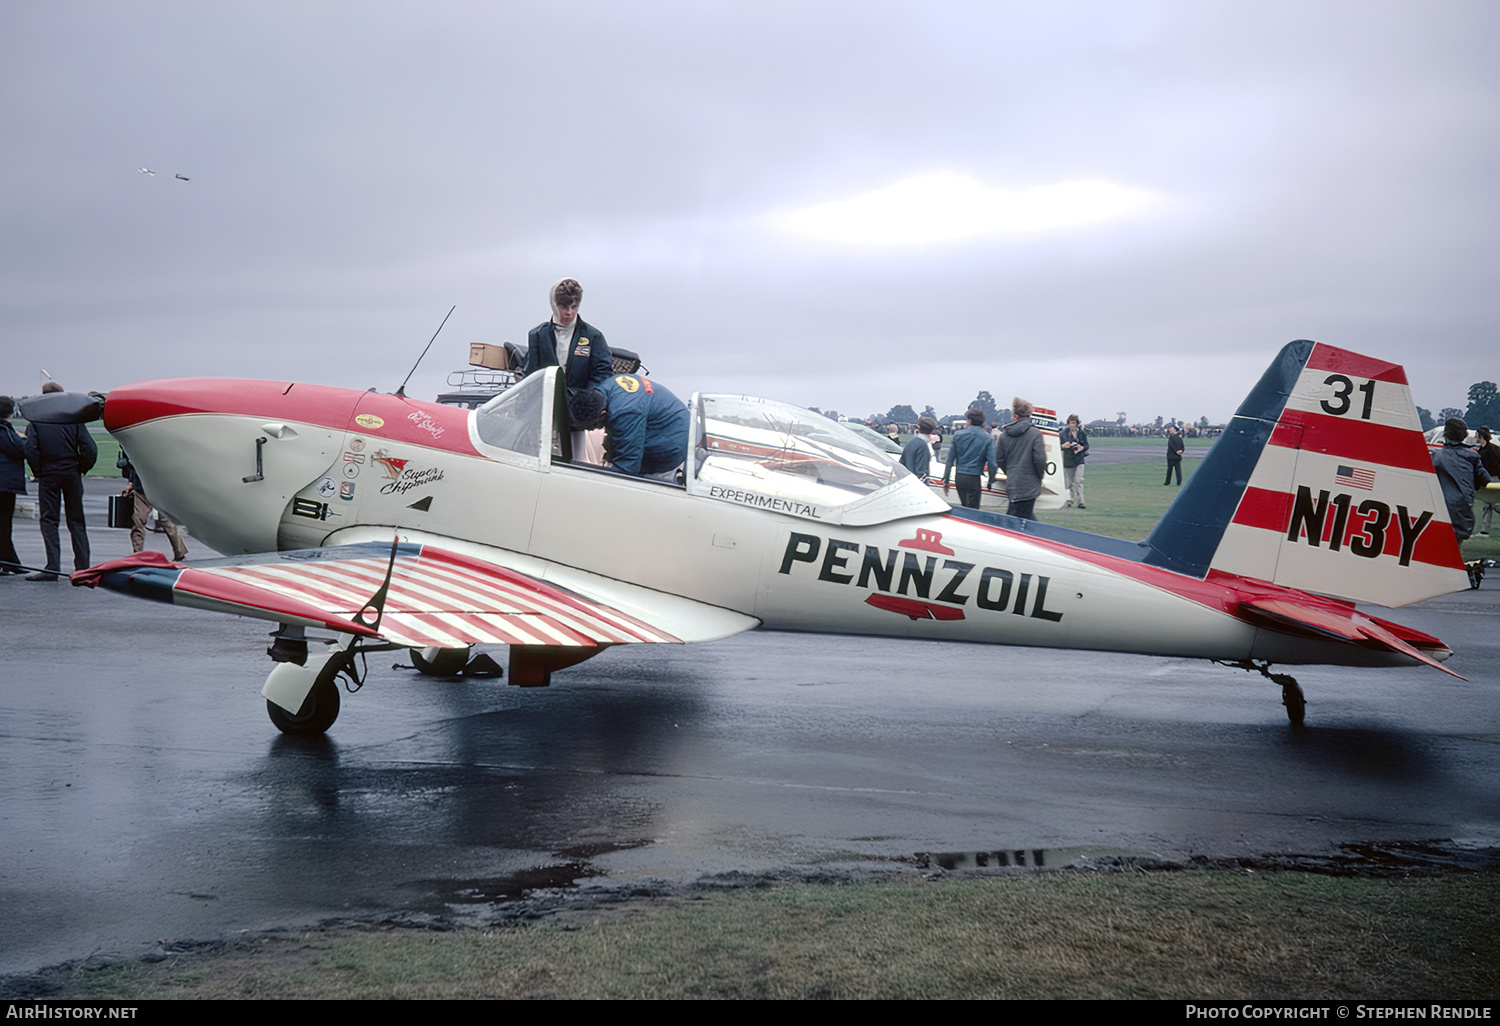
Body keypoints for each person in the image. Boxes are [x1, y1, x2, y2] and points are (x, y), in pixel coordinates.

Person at [22, 381, 96, 580]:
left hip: (49, 472)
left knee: (49, 520)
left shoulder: (37, 421)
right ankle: (83, 566)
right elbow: (90, 449)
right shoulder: (73, 420)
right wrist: (81, 467)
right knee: (77, 520)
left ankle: (52, 566)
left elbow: (31, 450)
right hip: (71, 471)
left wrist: (39, 472)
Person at [566, 373, 689, 477]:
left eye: (591, 426)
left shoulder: (625, 412)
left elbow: (628, 464)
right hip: (672, 421)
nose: (593, 429)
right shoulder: (607, 387)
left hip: (671, 444)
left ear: (603, 414)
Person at [522, 277, 614, 391]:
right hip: (546, 401)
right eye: (564, 307)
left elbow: (602, 373)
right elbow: (530, 376)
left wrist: (587, 398)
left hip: (580, 403)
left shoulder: (593, 336)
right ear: (554, 305)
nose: (569, 312)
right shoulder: (538, 335)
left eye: (574, 307)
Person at [119, 449, 188, 561]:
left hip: (157, 486)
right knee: (138, 520)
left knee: (165, 521)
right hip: (143, 486)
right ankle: (137, 553)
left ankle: (179, 552)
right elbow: (132, 465)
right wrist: (131, 482)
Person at [1432, 417, 1491, 542]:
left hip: (1439, 509)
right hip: (1462, 511)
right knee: (1455, 544)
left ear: (1445, 435)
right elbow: (1485, 479)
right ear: (1464, 436)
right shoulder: (1472, 456)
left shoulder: (1436, 457)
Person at [993, 397, 1047, 520]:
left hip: (1012, 482)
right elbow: (1040, 459)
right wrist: (1039, 476)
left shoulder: (1004, 435)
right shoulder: (1035, 434)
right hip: (1030, 484)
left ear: (1014, 415)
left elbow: (999, 458)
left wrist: (1010, 471)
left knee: (1017, 514)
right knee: (1023, 517)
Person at [941, 408, 996, 509]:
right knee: (973, 509)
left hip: (960, 476)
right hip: (974, 477)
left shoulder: (958, 435)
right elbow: (992, 463)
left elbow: (949, 461)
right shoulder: (987, 438)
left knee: (964, 506)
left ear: (969, 421)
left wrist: (946, 481)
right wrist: (991, 480)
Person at [1, 397, 27, 574]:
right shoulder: (5, 431)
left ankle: (10, 561)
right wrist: (24, 439)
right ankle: (9, 561)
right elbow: (20, 450)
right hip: (4, 483)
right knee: (4, 523)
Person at [1059, 413, 1089, 508]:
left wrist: (1081, 447)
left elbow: (1086, 446)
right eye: (1070, 423)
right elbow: (1057, 446)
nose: (1072, 425)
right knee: (1069, 482)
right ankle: (1069, 500)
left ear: (1077, 423)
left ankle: (1081, 501)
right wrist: (1063, 446)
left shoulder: (1081, 433)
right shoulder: (1063, 434)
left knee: (1079, 480)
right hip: (1068, 460)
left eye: (1074, 423)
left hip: (1079, 459)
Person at [900, 416, 938, 480]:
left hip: (906, 479)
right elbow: (922, 470)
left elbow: (902, 463)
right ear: (932, 431)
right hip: (917, 482)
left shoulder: (910, 442)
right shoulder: (924, 445)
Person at [1477, 426, 1499, 537]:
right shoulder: (1481, 450)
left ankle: (1485, 530)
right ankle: (1484, 530)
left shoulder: (1493, 449)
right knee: (1487, 504)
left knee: (1495, 504)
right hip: (1486, 479)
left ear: (1480, 436)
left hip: (1494, 478)